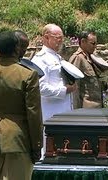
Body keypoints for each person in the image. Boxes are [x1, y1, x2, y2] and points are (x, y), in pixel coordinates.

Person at [0, 31, 42, 180]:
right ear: (17, 48)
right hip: (18, 137)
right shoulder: (28, 75)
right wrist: (37, 145)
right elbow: (34, 113)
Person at [31, 24, 76, 160]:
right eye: (57, 37)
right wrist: (64, 90)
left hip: (63, 110)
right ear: (46, 37)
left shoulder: (57, 57)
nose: (60, 41)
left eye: (62, 38)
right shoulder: (41, 59)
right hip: (50, 111)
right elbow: (40, 87)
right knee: (50, 148)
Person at [69, 31, 108, 108]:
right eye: (93, 43)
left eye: (96, 43)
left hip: (97, 107)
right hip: (86, 108)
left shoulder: (91, 58)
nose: (95, 46)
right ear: (83, 42)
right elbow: (74, 87)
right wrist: (76, 110)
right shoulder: (78, 58)